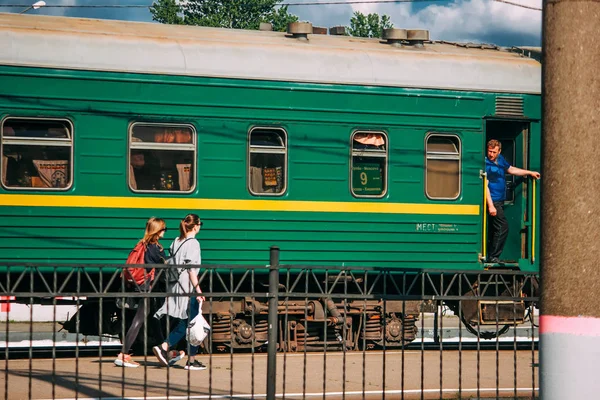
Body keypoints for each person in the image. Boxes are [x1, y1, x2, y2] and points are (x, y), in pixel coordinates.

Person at [153, 213, 206, 370]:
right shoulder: (193, 243)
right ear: (196, 226)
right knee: (192, 321)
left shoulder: (176, 241)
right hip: (187, 286)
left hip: (175, 285)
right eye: (200, 224)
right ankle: (167, 348)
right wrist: (198, 290)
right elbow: (190, 270)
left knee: (188, 320)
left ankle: (183, 355)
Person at [114, 217, 167, 368]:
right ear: (157, 231)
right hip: (145, 287)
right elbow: (162, 265)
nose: (165, 232)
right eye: (163, 229)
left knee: (152, 317)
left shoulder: (142, 244)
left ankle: (163, 349)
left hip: (140, 285)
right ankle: (123, 354)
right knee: (139, 319)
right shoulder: (154, 248)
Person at [485, 139, 540, 263]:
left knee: (496, 228)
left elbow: (511, 170)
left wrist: (529, 172)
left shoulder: (500, 160)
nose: (491, 154)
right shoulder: (486, 164)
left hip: (499, 201)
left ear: (499, 151)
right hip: (493, 201)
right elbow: (485, 185)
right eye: (489, 151)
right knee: (503, 227)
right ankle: (493, 256)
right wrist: (490, 205)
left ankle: (492, 255)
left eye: (494, 152)